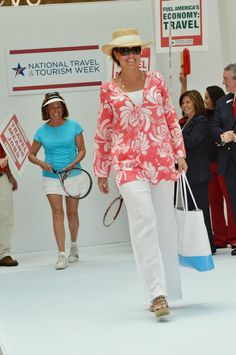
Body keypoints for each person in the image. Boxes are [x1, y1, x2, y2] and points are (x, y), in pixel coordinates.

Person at [93, 28, 187, 318]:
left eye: (136, 50)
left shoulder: (157, 81)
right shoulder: (108, 91)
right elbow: (104, 131)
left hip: (160, 159)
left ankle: (167, 286)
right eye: (125, 51)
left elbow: (171, 117)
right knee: (144, 221)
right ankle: (156, 293)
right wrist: (101, 169)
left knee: (164, 224)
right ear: (116, 56)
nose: (132, 56)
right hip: (127, 164)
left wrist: (180, 153)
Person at [28, 92, 86, 269]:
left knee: (72, 213)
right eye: (52, 107)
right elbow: (31, 154)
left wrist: (73, 164)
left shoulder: (74, 126)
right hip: (51, 178)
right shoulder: (41, 131)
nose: (56, 110)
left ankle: (74, 246)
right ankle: (61, 255)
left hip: (73, 175)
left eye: (59, 106)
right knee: (57, 213)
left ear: (63, 108)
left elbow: (82, 150)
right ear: (46, 110)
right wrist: (40, 163)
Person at [179, 90, 216, 254]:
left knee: (200, 212)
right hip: (185, 174)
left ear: (196, 103)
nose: (185, 105)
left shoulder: (201, 121)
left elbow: (193, 142)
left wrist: (175, 138)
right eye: (183, 102)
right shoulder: (184, 122)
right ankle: (195, 245)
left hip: (198, 173)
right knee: (189, 212)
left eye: (188, 102)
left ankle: (208, 245)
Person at [211, 63, 236, 256]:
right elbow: (214, 126)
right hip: (228, 161)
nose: (223, 82)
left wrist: (234, 135)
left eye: (226, 79)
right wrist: (223, 135)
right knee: (233, 201)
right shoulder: (222, 102)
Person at [0, 144, 18, 267]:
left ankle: (3, 254)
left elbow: (3, 156)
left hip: (2, 176)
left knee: (6, 216)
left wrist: (10, 175)